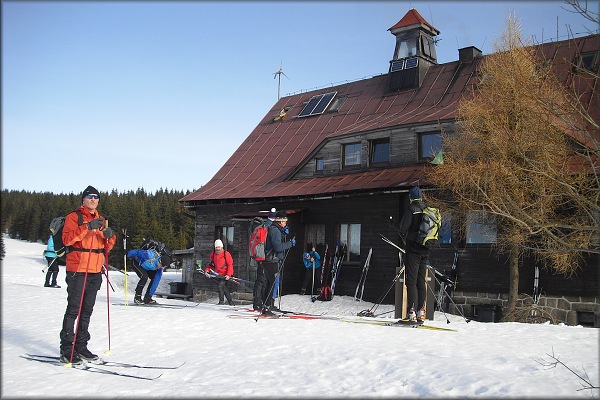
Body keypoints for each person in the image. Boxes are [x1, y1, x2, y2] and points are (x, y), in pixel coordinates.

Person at [59, 185, 116, 365]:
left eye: (96, 197)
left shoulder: (101, 219)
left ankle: (81, 346)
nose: (93, 199)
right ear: (83, 200)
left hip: (94, 271)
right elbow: (67, 239)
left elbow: (107, 247)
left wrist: (110, 236)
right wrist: (87, 227)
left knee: (87, 311)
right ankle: (67, 349)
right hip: (77, 270)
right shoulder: (73, 217)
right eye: (89, 197)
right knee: (74, 309)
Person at [398, 186, 430, 323]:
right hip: (426, 249)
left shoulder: (412, 209)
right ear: (421, 196)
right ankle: (421, 311)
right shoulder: (428, 209)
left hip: (413, 250)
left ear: (411, 197)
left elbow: (402, 228)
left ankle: (411, 312)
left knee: (411, 281)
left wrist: (396, 226)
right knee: (420, 281)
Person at [261, 210, 295, 315]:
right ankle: (267, 307)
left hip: (269, 260)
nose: (285, 224)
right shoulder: (275, 230)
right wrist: (291, 243)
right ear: (280, 221)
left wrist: (283, 233)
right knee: (272, 283)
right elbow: (278, 247)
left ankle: (267, 306)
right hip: (271, 261)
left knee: (270, 283)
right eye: (285, 221)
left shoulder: (274, 229)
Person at [204, 239, 235, 305]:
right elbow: (211, 265)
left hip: (225, 274)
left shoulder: (226, 254)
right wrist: (207, 270)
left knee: (220, 286)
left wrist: (228, 275)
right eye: (216, 247)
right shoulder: (213, 254)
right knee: (224, 288)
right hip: (218, 274)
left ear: (221, 247)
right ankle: (231, 303)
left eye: (219, 247)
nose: (217, 249)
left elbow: (230, 265)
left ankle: (221, 302)